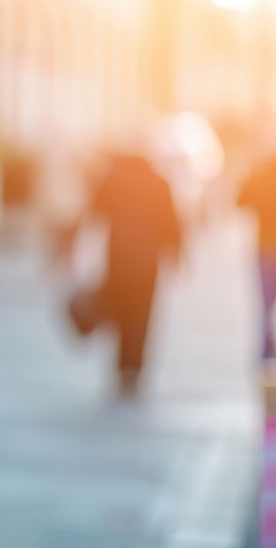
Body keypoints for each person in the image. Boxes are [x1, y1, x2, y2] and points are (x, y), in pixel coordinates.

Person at [76, 150, 181, 397]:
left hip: (118, 258)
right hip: (147, 262)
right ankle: (135, 368)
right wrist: (176, 253)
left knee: (121, 314)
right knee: (142, 316)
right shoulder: (158, 181)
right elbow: (172, 222)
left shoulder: (113, 178)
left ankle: (122, 366)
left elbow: (95, 211)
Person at [238, 152, 276, 360]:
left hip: (266, 248)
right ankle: (267, 348)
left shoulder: (260, 174)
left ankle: (266, 349)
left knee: (265, 303)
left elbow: (241, 200)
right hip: (266, 248)